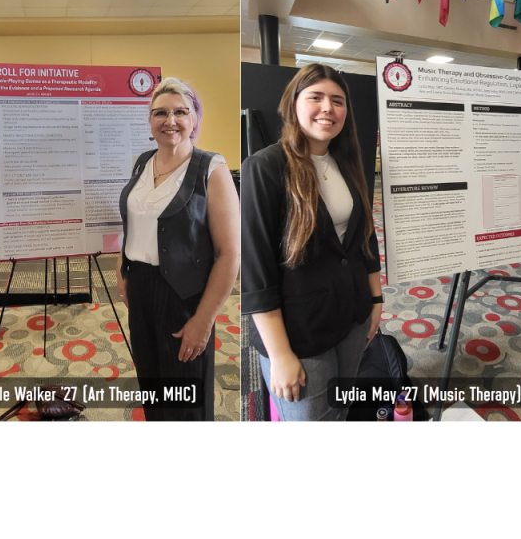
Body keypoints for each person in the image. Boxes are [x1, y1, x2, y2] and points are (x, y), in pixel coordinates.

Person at [241, 63, 382, 421]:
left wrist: (376, 300)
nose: (328, 108)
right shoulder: (265, 167)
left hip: (352, 316)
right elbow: (256, 270)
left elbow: (364, 236)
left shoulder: (346, 162)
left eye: (338, 101)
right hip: (299, 332)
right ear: (293, 104)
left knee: (340, 412)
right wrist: (280, 354)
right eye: (316, 97)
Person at [116, 77, 240, 421]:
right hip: (140, 288)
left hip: (184, 296)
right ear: (150, 122)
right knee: (151, 381)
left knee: (185, 392)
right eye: (160, 113)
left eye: (180, 112)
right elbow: (134, 220)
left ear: (194, 119)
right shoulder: (142, 162)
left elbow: (230, 254)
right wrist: (122, 268)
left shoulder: (211, 169)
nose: (170, 120)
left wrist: (204, 319)